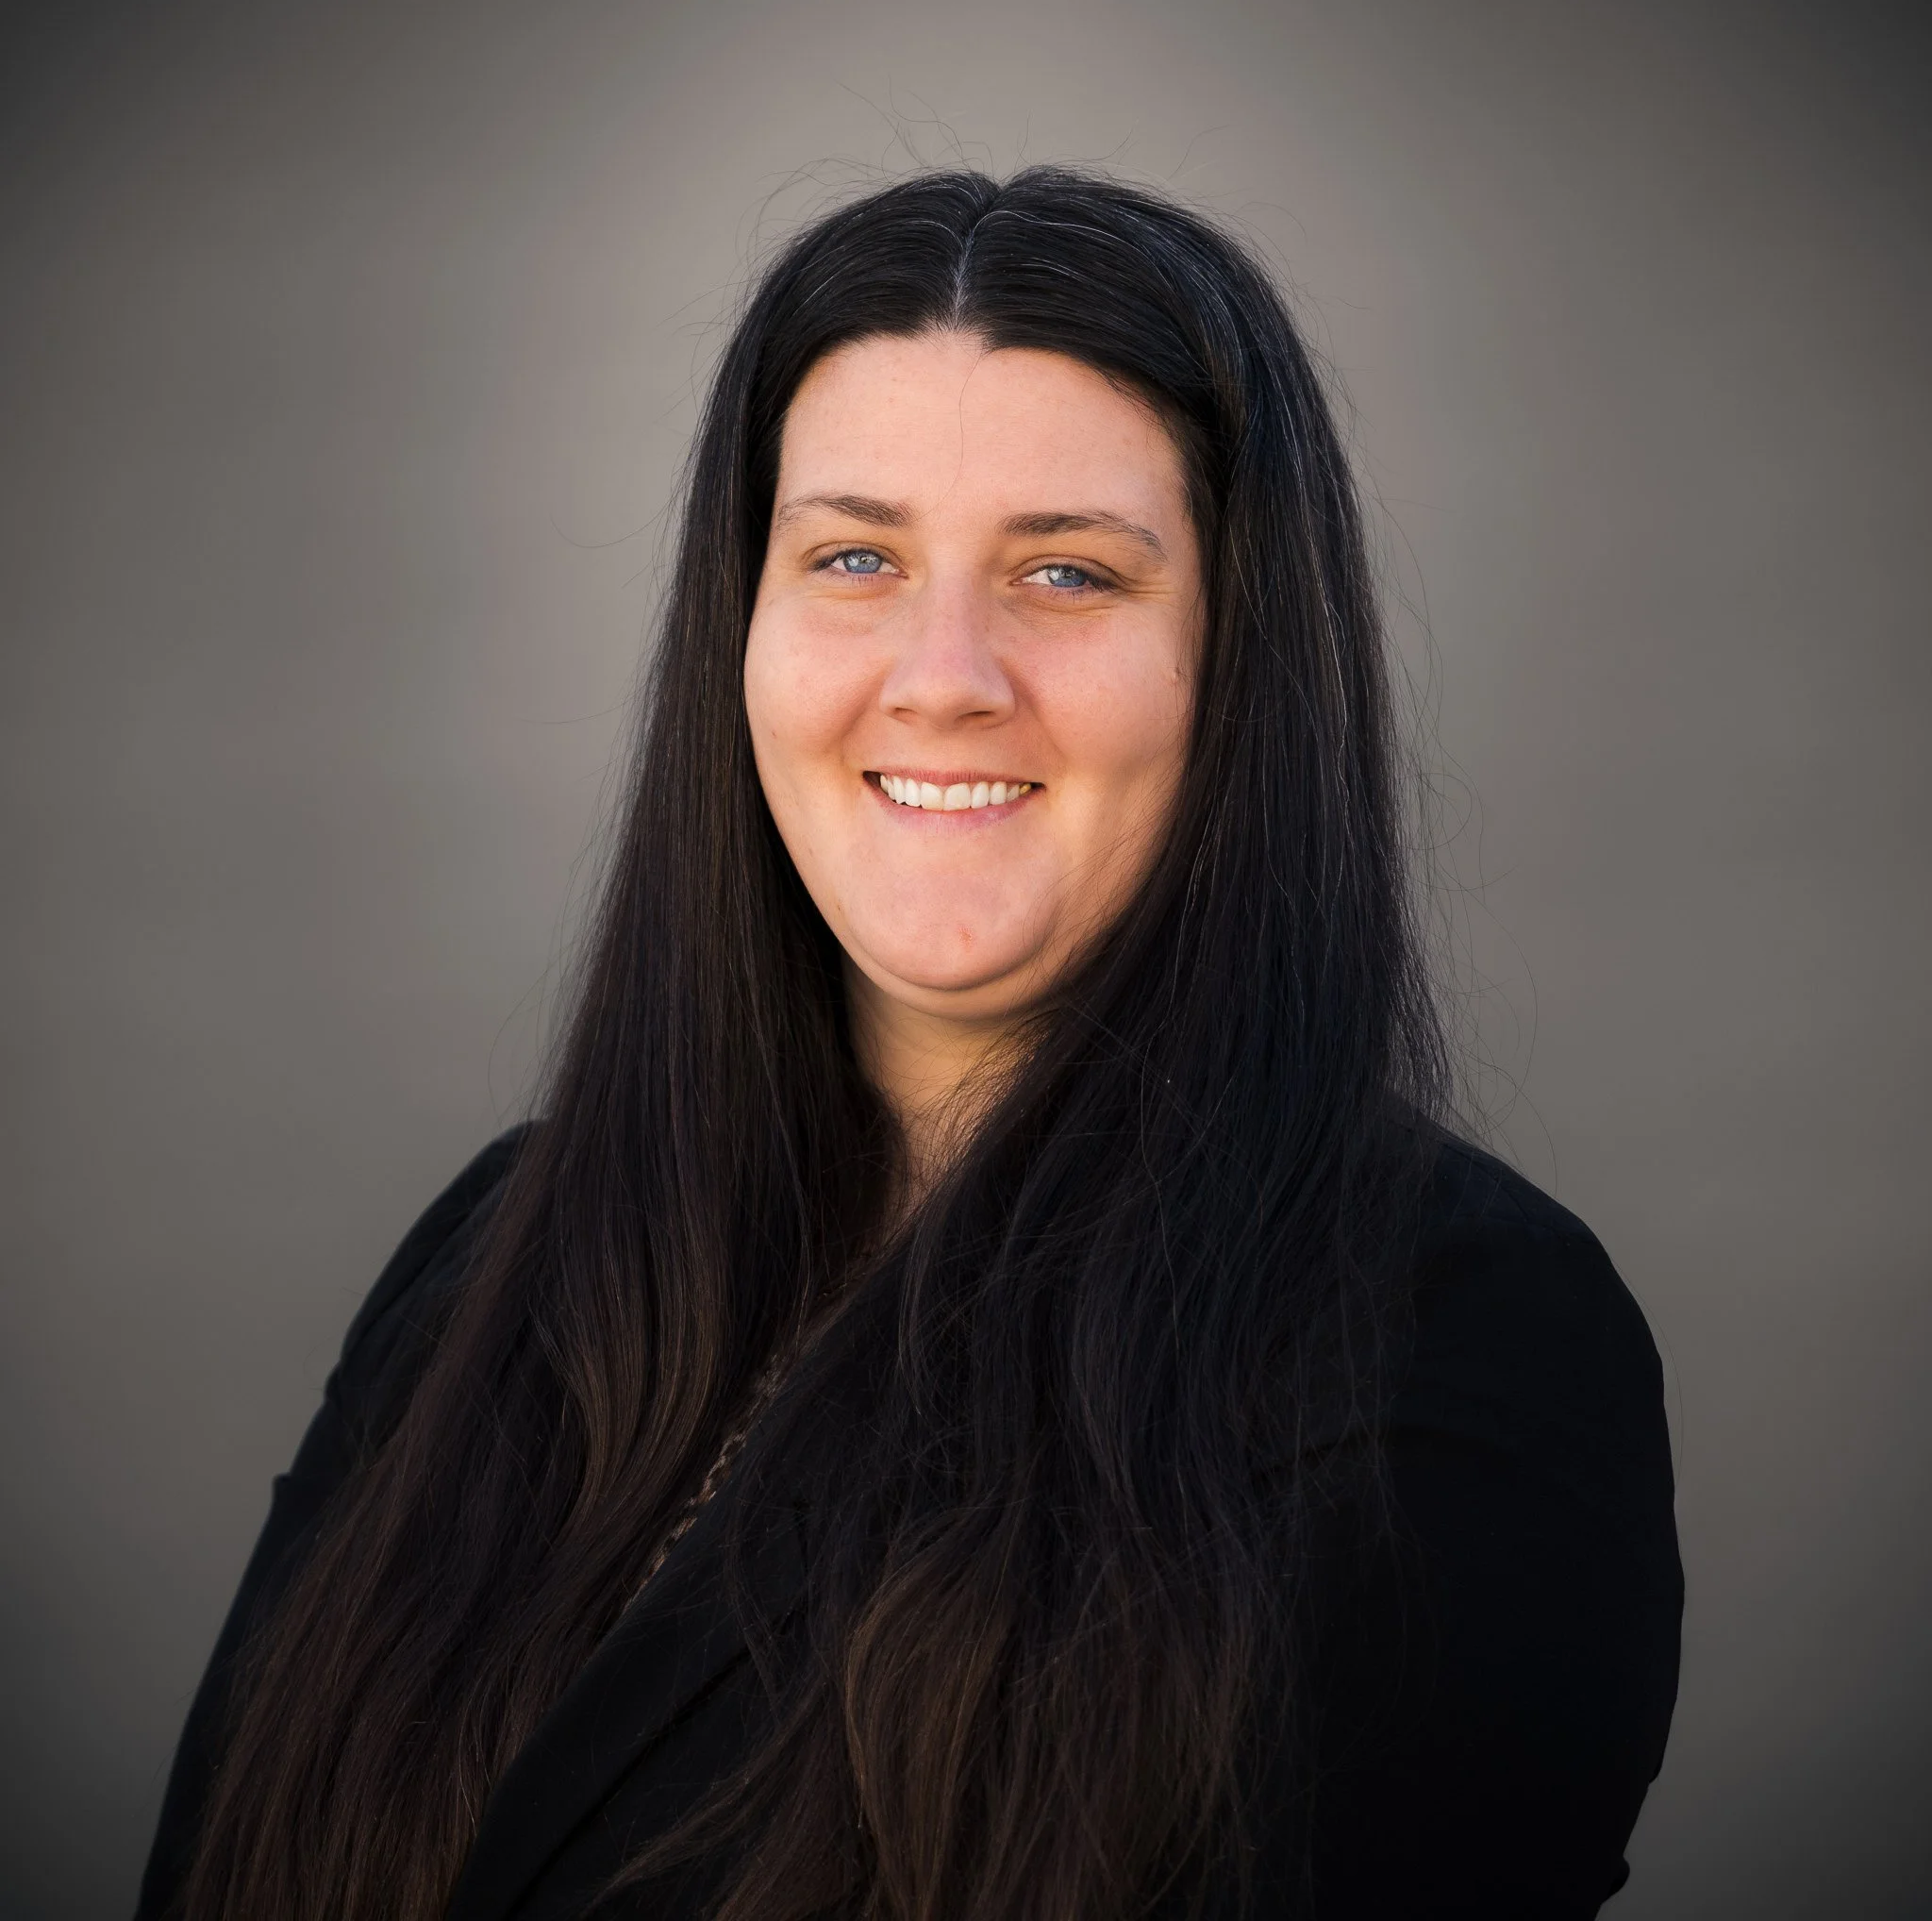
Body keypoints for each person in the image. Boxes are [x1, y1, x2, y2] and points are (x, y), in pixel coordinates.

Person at [138, 167, 1681, 1921]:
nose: (943, 674)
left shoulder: (1451, 1345)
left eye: (1070, 573)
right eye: (854, 558)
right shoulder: (496, 1255)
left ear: (1237, 669)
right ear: (744, 629)